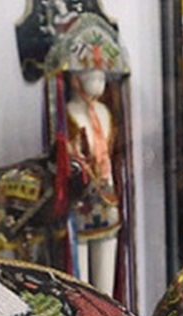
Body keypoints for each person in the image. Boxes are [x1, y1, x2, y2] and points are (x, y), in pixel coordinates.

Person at [65, 68, 120, 296]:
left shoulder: (105, 112)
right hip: (79, 203)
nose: (99, 82)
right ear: (76, 79)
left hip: (107, 201)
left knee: (106, 279)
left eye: (102, 77)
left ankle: (108, 315)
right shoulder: (67, 113)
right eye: (93, 77)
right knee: (80, 280)